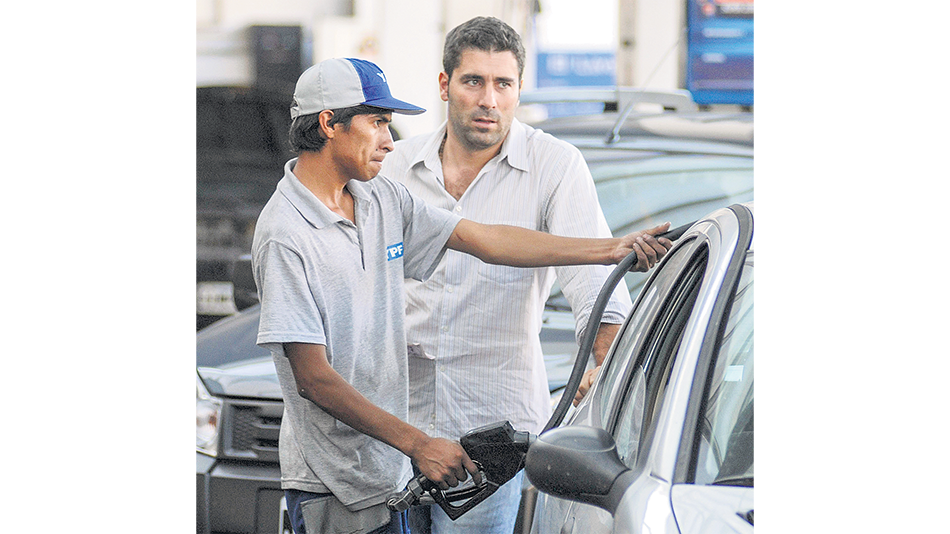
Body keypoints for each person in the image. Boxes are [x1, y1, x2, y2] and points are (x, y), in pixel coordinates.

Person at [252, 57, 671, 534]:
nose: (390, 141)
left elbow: (484, 239)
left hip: (388, 467)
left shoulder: (379, 199)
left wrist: (610, 249)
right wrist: (418, 443)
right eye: (378, 123)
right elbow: (313, 378)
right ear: (329, 124)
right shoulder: (285, 233)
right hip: (335, 481)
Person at [380, 17, 672, 534]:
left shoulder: (554, 165)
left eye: (504, 84)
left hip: (490, 436)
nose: (489, 99)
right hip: (392, 424)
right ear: (445, 84)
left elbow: (594, 291)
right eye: (473, 81)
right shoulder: (394, 167)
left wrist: (605, 372)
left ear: (518, 89)